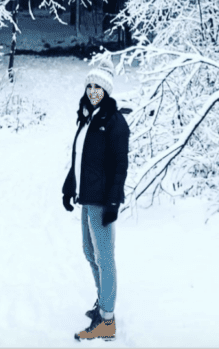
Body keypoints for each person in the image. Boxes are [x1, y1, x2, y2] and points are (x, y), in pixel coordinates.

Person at [62, 55, 130, 342]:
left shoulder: (113, 122)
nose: (93, 90)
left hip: (102, 200)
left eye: (98, 86)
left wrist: (113, 202)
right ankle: (103, 304)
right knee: (90, 254)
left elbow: (120, 165)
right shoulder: (88, 118)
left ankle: (107, 321)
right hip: (86, 197)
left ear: (107, 89)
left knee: (105, 258)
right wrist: (69, 187)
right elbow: (78, 158)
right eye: (89, 85)